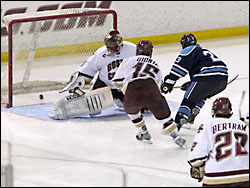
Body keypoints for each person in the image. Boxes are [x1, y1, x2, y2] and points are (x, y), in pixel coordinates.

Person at [112, 40, 186, 147]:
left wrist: (124, 89)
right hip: (151, 88)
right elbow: (159, 88)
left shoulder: (128, 60)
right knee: (164, 116)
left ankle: (143, 132)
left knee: (132, 112)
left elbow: (116, 82)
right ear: (151, 52)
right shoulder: (155, 65)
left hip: (132, 90)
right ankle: (175, 135)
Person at [161, 34, 228, 131]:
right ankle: (194, 111)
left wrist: (168, 83)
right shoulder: (203, 51)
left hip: (207, 76)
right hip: (223, 79)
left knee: (189, 98)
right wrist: (192, 83)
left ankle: (178, 122)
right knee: (201, 94)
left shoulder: (189, 50)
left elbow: (179, 68)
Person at [59, 29, 137, 109]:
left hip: (126, 87)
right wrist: (78, 83)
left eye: (112, 44)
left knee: (133, 106)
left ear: (119, 43)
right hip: (105, 86)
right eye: (108, 43)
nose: (110, 46)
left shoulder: (132, 49)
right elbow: (88, 69)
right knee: (91, 106)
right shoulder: (101, 53)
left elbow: (144, 67)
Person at [188, 97, 249, 187]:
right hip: (245, 178)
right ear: (230, 111)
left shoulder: (208, 124)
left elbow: (196, 158)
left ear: (214, 111)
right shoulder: (244, 126)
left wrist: (199, 166)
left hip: (216, 180)